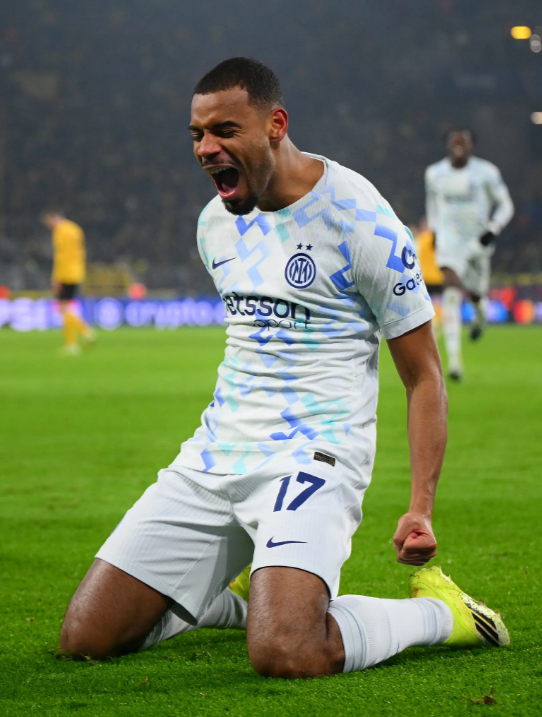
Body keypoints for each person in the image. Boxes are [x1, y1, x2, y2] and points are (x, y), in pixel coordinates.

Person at [59, 59, 509, 677]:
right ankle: (247, 599)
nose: (206, 148)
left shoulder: (363, 221)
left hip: (314, 455)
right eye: (197, 135)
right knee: (86, 638)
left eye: (225, 131)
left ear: (276, 124)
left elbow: (424, 376)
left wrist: (419, 507)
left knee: (287, 650)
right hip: (216, 454)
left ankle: (439, 614)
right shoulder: (215, 224)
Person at [425, 129, 514, 380]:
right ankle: (454, 362)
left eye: (463, 141)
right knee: (451, 288)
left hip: (477, 243)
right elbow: (432, 204)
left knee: (476, 295)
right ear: (447, 144)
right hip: (449, 242)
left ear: (471, 145)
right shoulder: (434, 173)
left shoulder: (487, 172)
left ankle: (480, 317)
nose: (458, 144)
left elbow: (506, 205)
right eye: (454, 140)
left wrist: (493, 229)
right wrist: (434, 231)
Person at [41, 210, 95, 354]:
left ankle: (82, 333)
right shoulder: (75, 228)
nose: (51, 227)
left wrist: (56, 277)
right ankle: (73, 342)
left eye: (50, 223)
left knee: (63, 308)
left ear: (53, 218)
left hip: (65, 273)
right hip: (77, 272)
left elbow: (61, 256)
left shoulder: (60, 231)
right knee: (66, 307)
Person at [411, 217, 444, 335]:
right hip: (437, 275)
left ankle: (429, 323)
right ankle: (437, 322)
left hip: (424, 275)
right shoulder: (434, 239)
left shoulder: (420, 239)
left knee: (426, 301)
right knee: (437, 300)